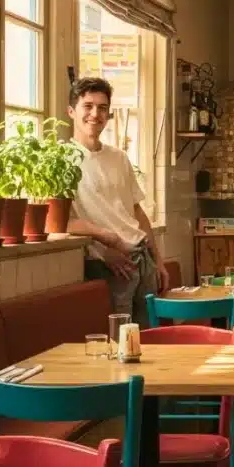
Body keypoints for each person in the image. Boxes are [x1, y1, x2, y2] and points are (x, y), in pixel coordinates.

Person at [65, 77, 169, 326]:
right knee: (121, 343)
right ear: (71, 112)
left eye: (102, 108)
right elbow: (60, 222)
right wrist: (103, 248)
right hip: (109, 266)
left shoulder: (119, 157)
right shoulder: (61, 159)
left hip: (143, 258)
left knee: (153, 340)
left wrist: (159, 261)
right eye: (87, 106)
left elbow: (136, 211)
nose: (95, 114)